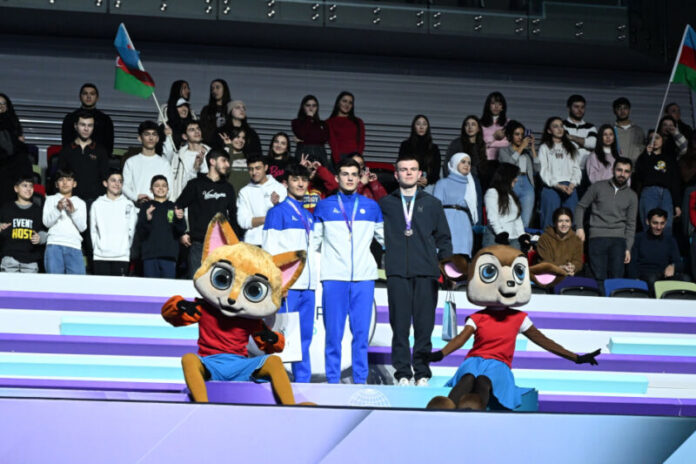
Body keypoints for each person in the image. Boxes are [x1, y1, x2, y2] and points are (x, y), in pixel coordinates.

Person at [380, 155, 452, 386]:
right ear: (396, 174)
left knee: (424, 327)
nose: (409, 173)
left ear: (420, 174)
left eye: (413, 169)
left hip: (426, 272)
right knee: (399, 326)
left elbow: (444, 239)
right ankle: (402, 372)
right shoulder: (386, 204)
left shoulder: (432, 204)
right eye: (404, 169)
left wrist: (447, 267)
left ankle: (422, 372)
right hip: (397, 272)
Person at [313, 158, 384, 384]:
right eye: (345, 174)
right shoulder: (324, 206)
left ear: (360, 177)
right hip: (334, 277)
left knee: (361, 335)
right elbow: (313, 243)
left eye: (354, 174)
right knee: (333, 335)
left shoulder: (372, 206)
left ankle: (360, 379)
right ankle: (333, 380)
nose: (350, 178)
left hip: (364, 278)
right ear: (337, 178)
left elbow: (386, 240)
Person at [262, 163, 319, 382]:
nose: (301, 184)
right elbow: (269, 251)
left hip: (308, 286)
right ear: (286, 183)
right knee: (282, 336)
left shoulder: (309, 216)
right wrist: (279, 283)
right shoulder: (277, 213)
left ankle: (302, 382)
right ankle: (273, 379)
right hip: (289, 287)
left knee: (304, 337)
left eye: (304, 180)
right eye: (296, 179)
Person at [175, 149, 240, 278]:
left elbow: (234, 215)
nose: (227, 165)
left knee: (218, 286)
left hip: (221, 245)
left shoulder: (228, 188)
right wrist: (181, 232)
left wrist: (235, 241)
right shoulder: (195, 184)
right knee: (195, 283)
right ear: (212, 161)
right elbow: (177, 207)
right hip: (198, 244)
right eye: (224, 160)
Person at [575, 157, 637, 280]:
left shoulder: (632, 196)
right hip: (597, 237)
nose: (622, 174)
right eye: (619, 170)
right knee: (598, 277)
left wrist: (628, 248)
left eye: (626, 171)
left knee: (616, 278)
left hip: (619, 239)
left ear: (630, 173)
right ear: (613, 170)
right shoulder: (598, 187)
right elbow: (580, 207)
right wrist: (579, 228)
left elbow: (631, 224)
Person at [137, 175, 186, 279]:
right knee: (151, 290)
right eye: (157, 186)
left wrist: (179, 218)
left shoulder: (174, 206)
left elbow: (181, 230)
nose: (161, 188)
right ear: (151, 189)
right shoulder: (146, 206)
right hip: (149, 255)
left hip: (169, 255)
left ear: (168, 189)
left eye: (164, 186)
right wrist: (148, 218)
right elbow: (140, 232)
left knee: (168, 290)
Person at [634, 129, 682, 236]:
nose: (654, 140)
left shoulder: (669, 159)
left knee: (667, 226)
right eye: (651, 138)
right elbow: (640, 175)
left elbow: (674, 181)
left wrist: (677, 204)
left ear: (662, 140)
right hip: (649, 191)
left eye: (657, 137)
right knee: (649, 225)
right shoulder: (644, 157)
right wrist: (647, 155)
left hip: (666, 194)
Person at [90, 170, 137, 276]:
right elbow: (93, 231)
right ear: (105, 183)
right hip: (100, 257)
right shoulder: (97, 204)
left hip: (122, 257)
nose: (117, 184)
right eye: (113, 180)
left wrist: (124, 248)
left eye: (120, 181)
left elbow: (132, 230)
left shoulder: (129, 204)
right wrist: (98, 248)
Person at [538, 116, 582, 229]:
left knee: (571, 221)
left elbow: (576, 169)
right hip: (552, 187)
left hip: (569, 187)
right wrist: (557, 185)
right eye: (555, 126)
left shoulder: (572, 147)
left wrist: (572, 185)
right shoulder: (544, 147)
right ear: (549, 130)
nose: (559, 129)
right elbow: (543, 170)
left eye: (561, 126)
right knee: (549, 221)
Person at [57, 110, 109, 204]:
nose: (86, 129)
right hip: (71, 200)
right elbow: (60, 176)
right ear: (76, 126)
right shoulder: (66, 150)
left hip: (95, 201)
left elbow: (105, 178)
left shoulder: (101, 151)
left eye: (90, 125)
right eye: (82, 125)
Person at [628, 208, 686, 292]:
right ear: (648, 222)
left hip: (664, 276)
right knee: (653, 279)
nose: (659, 227)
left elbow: (679, 263)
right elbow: (632, 263)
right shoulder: (639, 238)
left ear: (665, 223)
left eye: (662, 223)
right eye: (655, 223)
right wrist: (635, 279)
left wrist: (673, 266)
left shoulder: (670, 240)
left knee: (685, 279)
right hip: (645, 276)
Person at [42, 169, 87, 274]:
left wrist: (73, 212)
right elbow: (46, 223)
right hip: (54, 244)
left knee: (77, 285)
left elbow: (82, 227)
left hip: (74, 245)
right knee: (54, 284)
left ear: (74, 184)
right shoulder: (50, 199)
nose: (65, 182)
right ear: (56, 184)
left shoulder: (80, 202)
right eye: (61, 180)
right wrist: (58, 209)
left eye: (69, 179)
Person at [236, 155, 287, 246]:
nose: (254, 172)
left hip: (275, 242)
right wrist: (267, 218)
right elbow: (243, 221)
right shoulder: (244, 192)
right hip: (252, 244)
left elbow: (284, 217)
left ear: (266, 167)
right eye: (251, 169)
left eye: (257, 168)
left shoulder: (279, 188)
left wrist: (277, 205)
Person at [433, 152, 477, 256]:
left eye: (469, 163)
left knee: (463, 256)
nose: (466, 165)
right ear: (455, 162)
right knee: (447, 254)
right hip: (447, 220)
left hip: (464, 222)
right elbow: (435, 207)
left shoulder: (471, 185)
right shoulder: (442, 183)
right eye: (463, 162)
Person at [0, 176, 46, 273]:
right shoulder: (6, 208)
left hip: (30, 260)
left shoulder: (38, 210)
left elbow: (44, 231)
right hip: (9, 258)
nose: (28, 189)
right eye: (24, 186)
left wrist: (40, 238)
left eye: (31, 186)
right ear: (16, 188)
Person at [498, 120, 538, 228]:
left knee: (526, 218)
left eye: (522, 134)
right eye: (517, 134)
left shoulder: (527, 153)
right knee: (509, 216)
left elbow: (538, 168)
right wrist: (521, 148)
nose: (520, 137)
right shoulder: (504, 151)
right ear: (510, 135)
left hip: (527, 184)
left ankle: (522, 241)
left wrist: (533, 148)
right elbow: (509, 165)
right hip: (512, 182)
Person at [122, 121, 173, 205]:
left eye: (154, 134)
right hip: (136, 210)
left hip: (157, 210)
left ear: (158, 138)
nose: (151, 138)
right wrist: (137, 197)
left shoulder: (164, 163)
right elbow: (125, 186)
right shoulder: (131, 162)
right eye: (146, 134)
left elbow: (169, 189)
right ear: (139, 138)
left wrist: (155, 201)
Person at [61, 83, 114, 155]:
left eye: (92, 94)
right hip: (74, 159)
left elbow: (108, 147)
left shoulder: (105, 120)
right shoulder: (70, 118)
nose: (88, 96)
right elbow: (66, 144)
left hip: (98, 160)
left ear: (97, 97)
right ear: (80, 97)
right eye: (85, 93)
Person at [483, 163, 526, 250]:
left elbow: (517, 218)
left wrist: (522, 235)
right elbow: (492, 217)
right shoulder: (492, 192)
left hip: (513, 239)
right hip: (496, 238)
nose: (516, 179)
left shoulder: (511, 195)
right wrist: (500, 234)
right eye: (514, 176)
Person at [0, 93, 32, 207]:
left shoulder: (13, 123)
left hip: (14, 169)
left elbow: (17, 149)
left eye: (4, 104)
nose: (2, 107)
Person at [166, 120, 209, 201]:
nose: (197, 132)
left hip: (207, 203)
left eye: (198, 129)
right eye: (192, 130)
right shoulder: (178, 157)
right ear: (185, 136)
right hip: (186, 205)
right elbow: (176, 183)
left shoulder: (210, 153)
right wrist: (195, 168)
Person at [536, 207, 583, 276]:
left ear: (571, 223)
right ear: (555, 223)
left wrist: (573, 267)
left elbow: (578, 261)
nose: (564, 224)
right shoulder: (544, 238)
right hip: (548, 275)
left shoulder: (576, 240)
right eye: (560, 221)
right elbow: (545, 261)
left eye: (567, 221)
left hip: (568, 276)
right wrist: (560, 268)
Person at [398, 115, 442, 189]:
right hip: (409, 180)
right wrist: (413, 178)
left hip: (428, 183)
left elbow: (436, 171)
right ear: (414, 127)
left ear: (427, 127)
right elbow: (401, 166)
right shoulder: (405, 145)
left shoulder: (434, 148)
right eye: (418, 124)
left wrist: (427, 180)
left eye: (424, 124)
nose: (421, 127)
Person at [326, 91, 365, 165]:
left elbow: (361, 143)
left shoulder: (358, 122)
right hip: (339, 157)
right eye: (344, 101)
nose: (347, 104)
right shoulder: (329, 122)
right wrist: (338, 162)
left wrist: (357, 159)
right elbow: (333, 144)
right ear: (338, 103)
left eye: (350, 102)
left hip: (356, 157)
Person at [445, 115, 488, 181]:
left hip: (476, 180)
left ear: (478, 129)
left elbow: (483, 167)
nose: (470, 127)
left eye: (473, 124)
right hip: (458, 179)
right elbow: (447, 164)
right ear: (464, 128)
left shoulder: (481, 144)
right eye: (467, 125)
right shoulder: (457, 143)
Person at [291, 95, 330, 167]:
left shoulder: (323, 124)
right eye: (308, 105)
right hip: (303, 154)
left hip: (320, 154)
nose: (311, 108)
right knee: (302, 175)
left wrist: (305, 139)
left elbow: (324, 139)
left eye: (314, 105)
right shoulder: (296, 122)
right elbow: (301, 134)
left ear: (317, 108)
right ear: (303, 107)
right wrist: (309, 118)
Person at [563, 94, 597, 170]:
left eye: (582, 107)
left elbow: (593, 144)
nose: (580, 110)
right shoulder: (561, 125)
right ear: (569, 108)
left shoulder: (590, 127)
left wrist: (572, 137)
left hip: (586, 170)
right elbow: (565, 144)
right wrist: (585, 144)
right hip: (566, 169)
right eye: (576, 107)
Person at [199, 79, 232, 146]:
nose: (214, 91)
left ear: (224, 89)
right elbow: (203, 130)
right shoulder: (206, 109)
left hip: (228, 146)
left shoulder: (231, 108)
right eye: (212, 89)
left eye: (217, 87)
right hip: (211, 147)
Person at [612, 97, 645, 163]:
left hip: (635, 169)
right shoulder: (611, 130)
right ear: (614, 111)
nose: (622, 111)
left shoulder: (638, 130)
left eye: (625, 108)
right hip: (617, 168)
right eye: (619, 108)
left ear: (629, 110)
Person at [480, 92, 509, 161]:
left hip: (503, 161)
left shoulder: (508, 123)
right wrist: (494, 137)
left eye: (499, 104)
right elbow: (479, 145)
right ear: (488, 105)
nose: (496, 107)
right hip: (485, 161)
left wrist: (489, 144)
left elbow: (508, 144)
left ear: (503, 107)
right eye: (493, 103)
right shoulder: (480, 123)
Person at [219, 126, 249, 193]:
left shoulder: (247, 156)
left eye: (243, 138)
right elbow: (226, 171)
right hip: (229, 197)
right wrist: (229, 146)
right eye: (237, 137)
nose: (241, 140)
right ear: (231, 138)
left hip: (245, 199)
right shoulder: (223, 154)